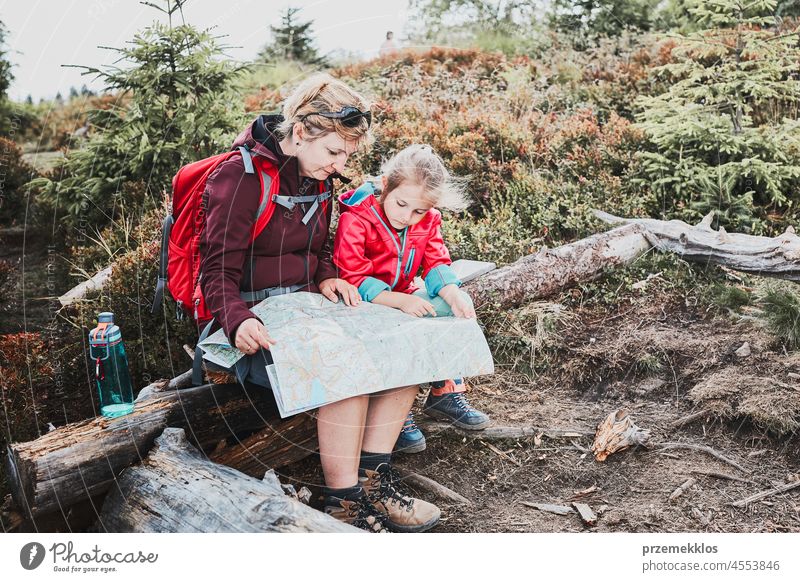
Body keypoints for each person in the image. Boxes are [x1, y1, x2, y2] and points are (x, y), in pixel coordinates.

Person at [199, 74, 440, 533]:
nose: (340, 164)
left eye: (348, 155)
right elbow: (216, 271)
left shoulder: (317, 177)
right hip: (250, 322)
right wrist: (235, 320)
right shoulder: (240, 177)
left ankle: (376, 481)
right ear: (300, 132)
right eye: (334, 152)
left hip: (307, 310)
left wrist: (328, 277)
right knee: (344, 361)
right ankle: (343, 502)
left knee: (403, 338)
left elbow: (320, 250)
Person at [332, 144, 492, 456]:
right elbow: (351, 274)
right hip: (361, 305)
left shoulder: (427, 220)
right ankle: (394, 413)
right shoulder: (358, 217)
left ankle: (444, 390)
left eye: (418, 210)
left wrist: (453, 293)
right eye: (402, 204)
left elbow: (435, 262)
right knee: (390, 335)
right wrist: (400, 302)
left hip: (402, 296)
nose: (408, 217)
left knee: (448, 307)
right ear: (385, 186)